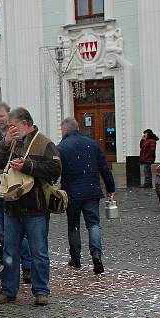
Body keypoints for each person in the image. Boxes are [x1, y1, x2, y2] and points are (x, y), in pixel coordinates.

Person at [0, 107, 61, 307]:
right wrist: (4, 144)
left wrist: (27, 166)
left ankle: (41, 291)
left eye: (13, 126)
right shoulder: (12, 143)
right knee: (10, 251)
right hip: (13, 206)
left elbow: (55, 170)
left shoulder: (44, 143)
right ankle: (8, 290)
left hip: (36, 207)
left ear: (26, 124)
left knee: (39, 251)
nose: (10, 129)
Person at [58, 117, 115, 274]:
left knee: (74, 225)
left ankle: (76, 259)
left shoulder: (62, 147)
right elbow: (104, 167)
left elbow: (55, 171)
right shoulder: (92, 144)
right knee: (93, 224)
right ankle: (96, 256)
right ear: (77, 128)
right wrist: (110, 187)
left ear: (65, 130)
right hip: (91, 191)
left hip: (72, 194)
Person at [0, 103, 32, 282]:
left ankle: (27, 266)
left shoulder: (18, 132)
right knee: (3, 232)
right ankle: (9, 265)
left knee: (20, 230)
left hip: (13, 186)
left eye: (2, 116)